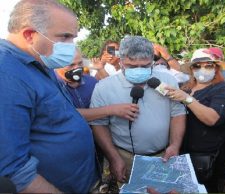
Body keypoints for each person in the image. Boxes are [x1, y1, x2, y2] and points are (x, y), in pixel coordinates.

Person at [0, 0, 99, 193]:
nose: (72, 46)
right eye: (65, 37)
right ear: (30, 35)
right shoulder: (6, 75)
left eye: (73, 37)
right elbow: (13, 168)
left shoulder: (38, 63)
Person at [89, 36, 186, 183]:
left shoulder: (168, 81)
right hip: (125, 157)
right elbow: (98, 124)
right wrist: (113, 158)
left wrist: (175, 145)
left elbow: (178, 114)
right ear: (121, 62)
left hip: (164, 155)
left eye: (145, 66)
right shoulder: (103, 87)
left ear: (152, 61)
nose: (139, 70)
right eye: (132, 66)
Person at [166, 48, 225, 192]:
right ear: (192, 69)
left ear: (216, 68)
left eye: (208, 65)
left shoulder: (224, 90)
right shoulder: (185, 88)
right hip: (181, 152)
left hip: (208, 158)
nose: (202, 69)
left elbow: (212, 119)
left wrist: (187, 99)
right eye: (197, 66)